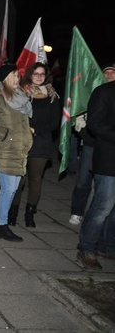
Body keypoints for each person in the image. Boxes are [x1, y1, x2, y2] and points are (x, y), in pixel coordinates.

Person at [0, 63, 33, 242]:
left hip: (20, 150)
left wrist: (28, 134)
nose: (18, 80)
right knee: (8, 189)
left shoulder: (21, 97)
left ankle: (0, 220)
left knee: (13, 190)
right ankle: (2, 226)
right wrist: (3, 133)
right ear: (6, 79)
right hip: (5, 150)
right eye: (14, 77)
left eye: (18, 76)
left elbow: (22, 122)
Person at [8, 62, 61, 228]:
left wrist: (36, 129)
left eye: (42, 74)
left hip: (41, 143)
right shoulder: (22, 94)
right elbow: (14, 116)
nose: (39, 76)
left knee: (36, 180)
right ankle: (12, 213)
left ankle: (30, 214)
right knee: (19, 180)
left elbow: (54, 122)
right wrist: (25, 128)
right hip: (22, 142)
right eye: (36, 73)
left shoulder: (52, 96)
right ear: (30, 75)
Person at [76, 76, 115, 270]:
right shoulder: (105, 92)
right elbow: (95, 123)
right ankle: (86, 247)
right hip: (109, 160)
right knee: (103, 206)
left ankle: (107, 246)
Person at [69, 62, 115, 225]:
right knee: (83, 180)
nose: (109, 75)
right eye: (106, 72)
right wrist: (84, 131)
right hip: (91, 143)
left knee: (103, 188)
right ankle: (77, 211)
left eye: (112, 72)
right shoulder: (95, 90)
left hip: (108, 148)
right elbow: (82, 115)